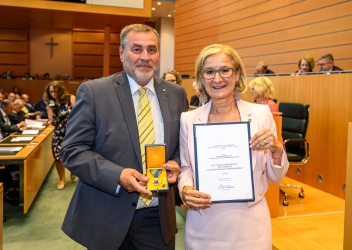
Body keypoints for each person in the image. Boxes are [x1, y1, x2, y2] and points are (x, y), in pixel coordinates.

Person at [60, 24, 188, 250]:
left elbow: (182, 144)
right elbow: (73, 151)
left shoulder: (176, 94)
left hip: (158, 218)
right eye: (136, 49)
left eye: (152, 49)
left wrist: (176, 162)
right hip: (106, 214)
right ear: (121, 53)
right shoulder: (94, 92)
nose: (145, 57)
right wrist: (117, 175)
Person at [178, 44, 289, 249]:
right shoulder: (188, 119)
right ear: (201, 78)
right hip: (204, 225)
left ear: (237, 74)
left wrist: (276, 150)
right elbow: (186, 168)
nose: (217, 79)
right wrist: (185, 189)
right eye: (209, 71)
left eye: (225, 70)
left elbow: (275, 177)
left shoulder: (261, 115)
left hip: (251, 226)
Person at [44, 81, 76, 190]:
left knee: (73, 154)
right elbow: (51, 120)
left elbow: (78, 113)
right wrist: (52, 116)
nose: (53, 93)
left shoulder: (69, 98)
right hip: (58, 132)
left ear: (60, 90)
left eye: (55, 91)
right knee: (58, 157)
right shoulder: (50, 103)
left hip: (71, 131)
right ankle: (62, 179)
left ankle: (73, 170)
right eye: (51, 92)